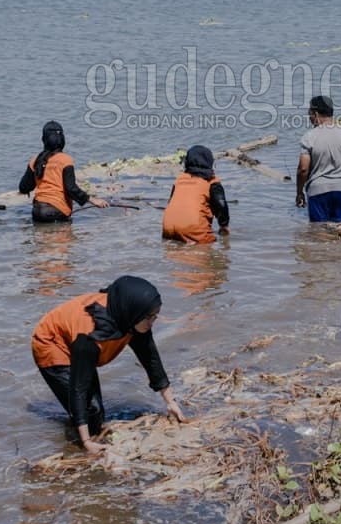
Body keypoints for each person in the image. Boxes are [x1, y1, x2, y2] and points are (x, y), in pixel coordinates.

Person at [30, 275, 185, 454]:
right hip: (53, 343)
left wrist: (170, 402)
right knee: (91, 410)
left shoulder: (131, 316)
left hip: (75, 340)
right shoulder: (90, 334)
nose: (152, 323)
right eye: (149, 318)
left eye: (155, 316)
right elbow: (78, 386)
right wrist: (87, 442)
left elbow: (151, 360)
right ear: (134, 312)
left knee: (97, 412)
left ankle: (86, 430)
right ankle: (79, 443)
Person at [18, 120, 108, 222]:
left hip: (37, 212)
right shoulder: (65, 160)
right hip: (56, 211)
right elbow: (71, 189)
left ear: (44, 140)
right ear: (62, 139)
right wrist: (93, 200)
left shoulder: (35, 160)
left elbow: (23, 187)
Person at [295, 95, 341, 222]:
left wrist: (299, 192)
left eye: (310, 113)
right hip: (340, 189)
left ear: (316, 114)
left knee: (319, 234)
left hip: (317, 192)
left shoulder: (309, 137)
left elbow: (303, 169)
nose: (309, 117)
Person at [162, 145, 230, 244]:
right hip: (192, 231)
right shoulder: (211, 182)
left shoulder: (180, 180)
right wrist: (224, 226)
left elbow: (171, 202)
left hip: (167, 229)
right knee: (214, 252)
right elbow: (221, 205)